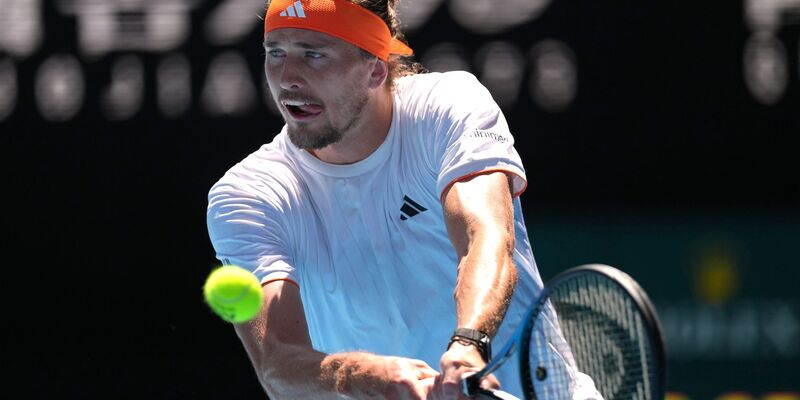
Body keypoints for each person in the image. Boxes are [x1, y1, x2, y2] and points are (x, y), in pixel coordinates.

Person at [206, 0, 547, 398]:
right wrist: (365, 375)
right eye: (275, 53)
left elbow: (483, 238)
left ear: (374, 70)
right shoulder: (248, 195)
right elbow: (279, 364)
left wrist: (469, 343)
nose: (287, 78)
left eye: (314, 54)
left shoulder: (448, 108)